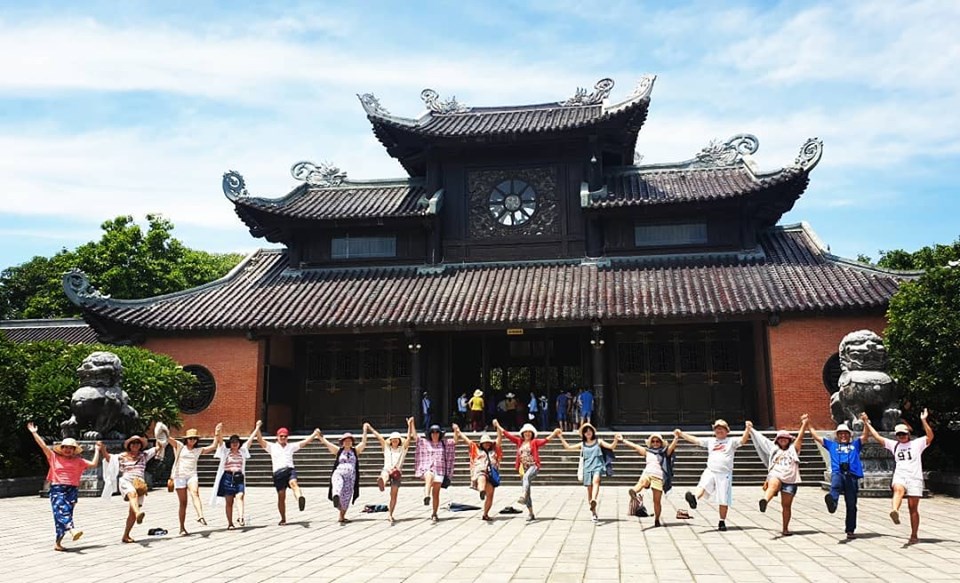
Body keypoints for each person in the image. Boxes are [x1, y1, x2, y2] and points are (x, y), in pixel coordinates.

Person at [864, 408, 934, 544]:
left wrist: (924, 420)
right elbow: (877, 437)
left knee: (913, 508)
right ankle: (894, 510)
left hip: (914, 477)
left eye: (903, 434)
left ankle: (914, 535)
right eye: (899, 434)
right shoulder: (894, 445)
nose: (901, 436)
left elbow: (930, 436)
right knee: (898, 490)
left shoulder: (916, 443)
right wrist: (867, 423)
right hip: (900, 475)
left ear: (908, 434)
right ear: (896, 435)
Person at [27, 422, 101, 551]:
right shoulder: (54, 457)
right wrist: (34, 432)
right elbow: (43, 446)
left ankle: (58, 542)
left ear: (74, 450)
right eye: (65, 447)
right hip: (58, 488)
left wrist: (97, 450)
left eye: (70, 448)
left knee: (64, 514)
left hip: (72, 489)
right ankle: (72, 529)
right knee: (62, 510)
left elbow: (94, 464)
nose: (68, 450)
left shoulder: (79, 461)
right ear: (62, 448)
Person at [677, 419, 752, 532]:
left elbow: (743, 440)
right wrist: (681, 434)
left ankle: (722, 521)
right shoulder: (711, 441)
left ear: (727, 431)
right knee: (703, 485)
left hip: (724, 473)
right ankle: (694, 499)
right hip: (711, 470)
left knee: (723, 499)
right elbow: (696, 440)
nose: (719, 430)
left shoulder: (731, 441)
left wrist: (748, 429)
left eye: (721, 428)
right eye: (717, 428)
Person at [808, 416, 869, 539]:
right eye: (840, 434)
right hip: (838, 472)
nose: (843, 436)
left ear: (849, 435)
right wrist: (808, 424)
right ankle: (832, 503)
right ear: (837, 435)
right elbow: (816, 437)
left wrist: (866, 422)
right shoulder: (832, 445)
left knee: (851, 504)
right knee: (835, 486)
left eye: (845, 434)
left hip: (852, 475)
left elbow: (865, 437)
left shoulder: (855, 445)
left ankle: (850, 529)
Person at [749, 415, 808, 536]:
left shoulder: (793, 449)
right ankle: (765, 500)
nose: (783, 440)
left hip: (790, 479)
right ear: (777, 440)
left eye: (785, 438)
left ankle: (785, 528)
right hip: (776, 474)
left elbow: (800, 438)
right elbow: (761, 439)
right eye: (780, 438)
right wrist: (751, 429)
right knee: (773, 484)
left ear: (789, 440)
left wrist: (804, 424)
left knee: (786, 505)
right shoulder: (773, 449)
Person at [99, 433, 162, 543]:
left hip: (139, 483)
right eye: (133, 443)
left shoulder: (144, 455)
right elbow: (109, 458)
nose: (135, 445)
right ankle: (138, 513)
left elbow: (158, 448)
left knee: (131, 513)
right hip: (126, 480)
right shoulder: (122, 456)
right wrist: (103, 449)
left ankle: (126, 535)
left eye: (137, 443)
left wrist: (160, 437)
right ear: (129, 445)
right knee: (132, 494)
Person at [255, 425, 320, 525]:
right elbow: (260, 440)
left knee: (294, 483)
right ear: (277, 437)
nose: (283, 438)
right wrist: (258, 428)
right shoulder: (272, 447)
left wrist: (314, 434)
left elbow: (304, 442)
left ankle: (300, 498)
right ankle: (283, 518)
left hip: (289, 470)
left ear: (287, 437)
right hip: (278, 473)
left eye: (285, 436)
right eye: (281, 436)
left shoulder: (291, 446)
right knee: (281, 496)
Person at [498, 420, 560, 521]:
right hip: (524, 468)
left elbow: (545, 440)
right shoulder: (519, 442)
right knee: (528, 492)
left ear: (532, 433)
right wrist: (498, 425)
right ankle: (531, 513)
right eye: (525, 432)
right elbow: (507, 435)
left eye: (529, 432)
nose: (527, 433)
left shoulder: (534, 442)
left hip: (533, 466)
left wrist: (554, 433)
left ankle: (523, 494)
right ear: (522, 433)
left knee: (526, 481)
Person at [557, 423, 619, 523]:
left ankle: (594, 500)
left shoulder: (599, 441)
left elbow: (611, 446)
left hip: (597, 466)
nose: (588, 432)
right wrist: (560, 436)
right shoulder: (582, 444)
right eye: (586, 431)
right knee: (589, 491)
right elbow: (568, 447)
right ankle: (594, 513)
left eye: (589, 430)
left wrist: (616, 439)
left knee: (596, 481)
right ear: (584, 434)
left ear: (593, 431)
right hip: (587, 468)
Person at [168, 423, 222, 535]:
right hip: (179, 476)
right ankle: (182, 527)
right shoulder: (179, 446)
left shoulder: (198, 450)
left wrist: (216, 433)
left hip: (192, 475)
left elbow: (213, 446)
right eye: (190, 438)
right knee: (183, 503)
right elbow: (169, 439)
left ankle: (200, 515)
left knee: (195, 493)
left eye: (194, 439)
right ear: (186, 439)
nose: (192, 440)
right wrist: (162, 429)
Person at [618, 430, 679, 527]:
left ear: (661, 443)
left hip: (658, 477)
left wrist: (676, 438)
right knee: (642, 481)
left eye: (657, 441)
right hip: (648, 474)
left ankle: (657, 519)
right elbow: (635, 446)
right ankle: (633, 491)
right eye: (653, 441)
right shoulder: (647, 452)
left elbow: (672, 447)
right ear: (650, 443)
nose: (655, 443)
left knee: (656, 501)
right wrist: (623, 440)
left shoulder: (664, 452)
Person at [210, 420, 260, 529]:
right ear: (230, 444)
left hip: (238, 477)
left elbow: (250, 440)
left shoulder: (242, 451)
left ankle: (241, 517)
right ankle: (230, 523)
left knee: (240, 496)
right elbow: (220, 442)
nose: (234, 443)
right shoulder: (225, 451)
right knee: (229, 501)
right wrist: (218, 431)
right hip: (227, 477)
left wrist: (257, 428)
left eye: (236, 441)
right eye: (232, 441)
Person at [367, 417, 416, 523]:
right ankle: (382, 483)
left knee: (393, 494)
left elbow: (408, 438)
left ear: (399, 440)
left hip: (397, 473)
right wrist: (370, 428)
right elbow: (379, 437)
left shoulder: (403, 449)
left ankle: (390, 514)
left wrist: (410, 425)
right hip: (387, 469)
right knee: (384, 475)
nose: (394, 440)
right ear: (390, 440)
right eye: (393, 439)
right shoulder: (386, 448)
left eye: (396, 439)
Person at [453, 423, 503, 521]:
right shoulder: (475, 448)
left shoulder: (494, 449)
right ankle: (481, 491)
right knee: (481, 476)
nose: (487, 444)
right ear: (481, 444)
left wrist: (497, 426)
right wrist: (458, 431)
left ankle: (485, 514)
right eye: (485, 443)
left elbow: (500, 436)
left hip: (491, 474)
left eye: (488, 442)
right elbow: (467, 440)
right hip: (480, 471)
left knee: (491, 494)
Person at [318, 425, 369, 524]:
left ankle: (342, 516)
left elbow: (363, 443)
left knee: (347, 496)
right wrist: (320, 436)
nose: (347, 442)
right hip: (339, 472)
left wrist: (365, 431)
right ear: (342, 442)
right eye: (345, 440)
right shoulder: (339, 451)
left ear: (352, 442)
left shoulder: (355, 451)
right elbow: (327, 443)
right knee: (338, 485)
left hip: (350, 478)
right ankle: (335, 496)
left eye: (349, 440)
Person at [413, 424, 456, 522]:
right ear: (430, 434)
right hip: (429, 468)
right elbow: (416, 438)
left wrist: (456, 430)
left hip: (440, 470)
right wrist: (411, 424)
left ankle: (434, 513)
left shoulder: (444, 443)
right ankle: (426, 496)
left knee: (436, 494)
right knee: (429, 476)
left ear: (440, 434)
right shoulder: (425, 442)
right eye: (433, 432)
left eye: (437, 432)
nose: (435, 434)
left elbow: (455, 441)